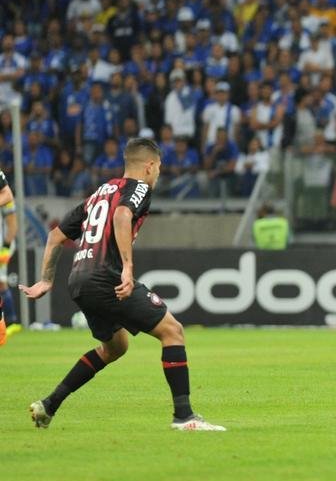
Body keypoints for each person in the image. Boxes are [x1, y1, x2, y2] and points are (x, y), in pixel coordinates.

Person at [19, 138, 225, 431]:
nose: (158, 175)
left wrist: (45, 280)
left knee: (115, 348)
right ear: (150, 166)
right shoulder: (138, 188)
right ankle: (185, 417)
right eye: (159, 168)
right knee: (173, 332)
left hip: (78, 280)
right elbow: (121, 215)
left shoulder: (99, 193)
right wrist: (127, 268)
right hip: (107, 278)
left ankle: (49, 405)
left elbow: (54, 236)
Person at [0, 167, 18, 344]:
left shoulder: (6, 198)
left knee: (1, 281)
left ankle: (11, 320)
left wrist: (5, 247)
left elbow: (12, 223)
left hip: (2, 244)